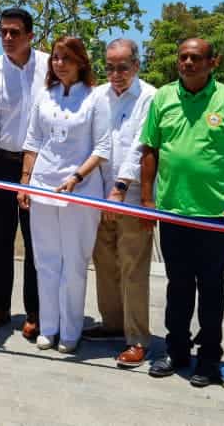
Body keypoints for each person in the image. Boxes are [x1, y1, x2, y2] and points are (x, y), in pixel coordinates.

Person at [142, 38, 224, 387]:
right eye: (183, 57)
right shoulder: (163, 98)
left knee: (211, 289)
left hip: (214, 216)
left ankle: (209, 359)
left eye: (196, 57)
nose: (188, 63)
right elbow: (150, 150)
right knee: (178, 287)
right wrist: (147, 200)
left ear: (212, 62)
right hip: (173, 211)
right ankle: (176, 351)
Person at [18, 36, 110, 353]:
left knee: (74, 261)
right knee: (45, 261)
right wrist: (25, 182)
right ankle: (49, 327)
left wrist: (77, 176)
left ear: (81, 62)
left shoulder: (95, 98)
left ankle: (71, 330)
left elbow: (102, 147)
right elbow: (32, 141)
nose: (59, 63)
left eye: (67, 58)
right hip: (42, 186)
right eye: (56, 57)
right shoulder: (45, 96)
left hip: (80, 191)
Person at [82, 39, 157, 368]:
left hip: (131, 196)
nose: (115, 74)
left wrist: (120, 187)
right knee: (105, 263)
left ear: (136, 66)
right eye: (109, 67)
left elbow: (141, 145)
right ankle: (112, 323)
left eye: (122, 67)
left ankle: (138, 338)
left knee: (133, 268)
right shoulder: (97, 95)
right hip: (98, 193)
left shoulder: (149, 97)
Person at [0, 7, 48, 338]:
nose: (7, 37)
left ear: (30, 35)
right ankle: (0, 306)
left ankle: (35, 310)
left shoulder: (50, 67)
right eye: (2, 31)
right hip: (2, 163)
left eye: (14, 32)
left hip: (41, 165)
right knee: (1, 237)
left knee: (35, 240)